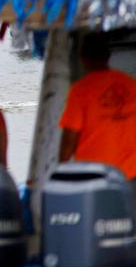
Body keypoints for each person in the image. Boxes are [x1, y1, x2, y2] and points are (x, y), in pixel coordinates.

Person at [58, 34, 136, 181]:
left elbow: (69, 138)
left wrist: (61, 169)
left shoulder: (80, 90)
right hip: (131, 173)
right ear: (108, 56)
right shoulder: (132, 85)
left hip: (95, 176)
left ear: (83, 59)